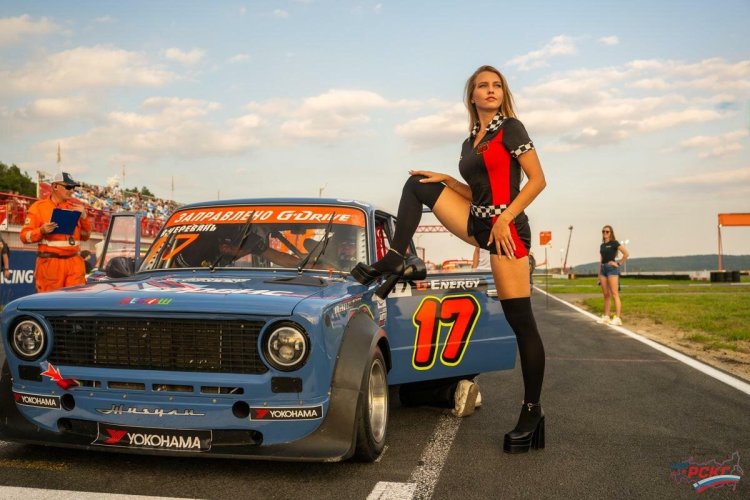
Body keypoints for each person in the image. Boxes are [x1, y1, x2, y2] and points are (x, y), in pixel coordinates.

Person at [351, 65, 547, 453]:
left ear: (502, 93)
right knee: (418, 185)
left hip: (507, 231)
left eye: (496, 85)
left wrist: (506, 218)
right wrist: (447, 179)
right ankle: (395, 258)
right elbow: (477, 193)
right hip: (479, 220)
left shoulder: (511, 128)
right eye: (482, 86)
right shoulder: (470, 141)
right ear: (471, 96)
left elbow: (538, 180)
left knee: (521, 323)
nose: (490, 90)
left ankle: (532, 412)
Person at [20, 172, 92, 292]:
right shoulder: (38, 208)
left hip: (74, 263)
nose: (71, 190)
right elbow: (24, 236)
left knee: (76, 301)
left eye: (73, 187)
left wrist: (84, 217)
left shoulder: (76, 208)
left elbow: (86, 236)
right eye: (68, 187)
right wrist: (41, 231)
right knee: (50, 301)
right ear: (55, 186)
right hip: (50, 265)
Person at [596, 225, 629, 326]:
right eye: (603, 231)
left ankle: (618, 318)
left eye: (607, 231)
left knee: (614, 294)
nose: (605, 233)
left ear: (611, 233)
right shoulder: (602, 245)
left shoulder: (614, 243)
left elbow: (626, 254)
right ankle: (606, 317)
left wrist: (618, 263)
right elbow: (601, 260)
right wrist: (599, 273)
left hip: (611, 269)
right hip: (603, 270)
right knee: (606, 295)